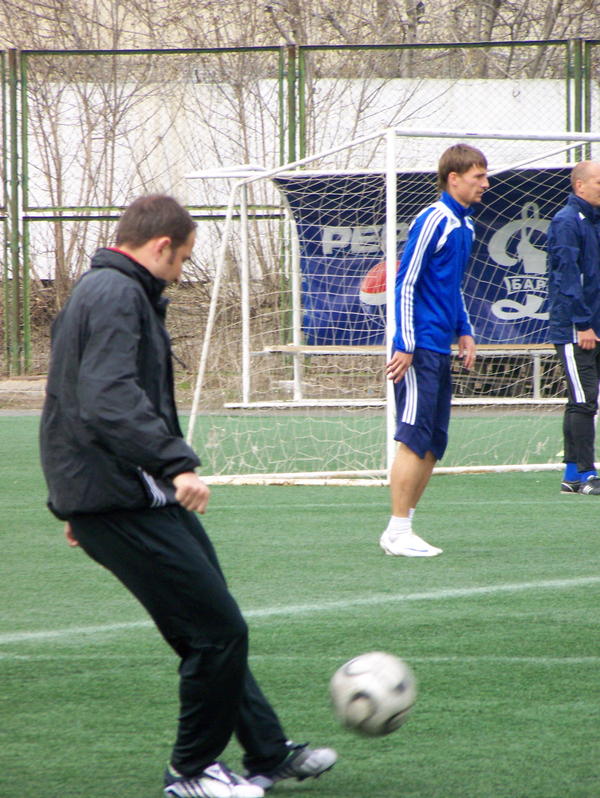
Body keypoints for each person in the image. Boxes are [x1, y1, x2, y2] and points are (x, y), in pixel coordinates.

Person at [39, 194, 337, 798]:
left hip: (120, 496)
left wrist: (71, 497)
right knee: (216, 632)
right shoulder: (115, 293)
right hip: (120, 501)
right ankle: (192, 772)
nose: (181, 272)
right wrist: (175, 464)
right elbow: (105, 398)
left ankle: (267, 752)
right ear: (160, 246)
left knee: (214, 623)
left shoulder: (109, 291)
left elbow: (69, 397)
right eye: (182, 259)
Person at [379, 144, 489, 557]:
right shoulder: (433, 219)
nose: (485, 184)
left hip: (440, 347)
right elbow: (405, 281)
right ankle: (396, 531)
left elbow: (451, 287)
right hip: (418, 347)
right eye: (478, 177)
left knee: (432, 442)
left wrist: (465, 330)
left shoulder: (466, 226)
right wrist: (405, 343)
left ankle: (404, 528)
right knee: (413, 438)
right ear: (453, 179)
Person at [546, 161, 600, 495]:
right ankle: (587, 475)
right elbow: (566, 275)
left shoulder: (595, 221)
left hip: (594, 324)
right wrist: (582, 324)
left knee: (580, 399)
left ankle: (571, 476)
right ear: (579, 185)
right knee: (584, 401)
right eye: (599, 182)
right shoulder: (566, 221)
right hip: (574, 328)